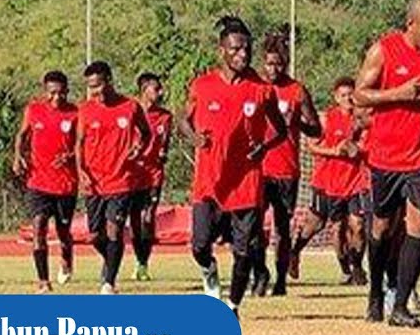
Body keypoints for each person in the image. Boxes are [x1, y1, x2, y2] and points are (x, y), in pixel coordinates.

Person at [353, 0, 420, 328]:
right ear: (411, 24)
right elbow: (359, 95)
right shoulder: (384, 50)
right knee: (381, 228)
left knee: (419, 226)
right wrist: (398, 93)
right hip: (386, 155)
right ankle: (375, 293)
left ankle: (400, 303)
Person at [184, 16, 275, 316]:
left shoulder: (261, 89)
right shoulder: (202, 86)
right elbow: (183, 120)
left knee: (244, 251)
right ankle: (209, 271)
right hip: (209, 181)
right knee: (199, 245)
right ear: (221, 50)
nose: (242, 54)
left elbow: (280, 130)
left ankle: (232, 306)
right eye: (235, 49)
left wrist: (264, 146)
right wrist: (194, 137)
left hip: (246, 182)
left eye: (247, 49)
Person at [254, 36, 321, 296]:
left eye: (279, 64)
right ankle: (260, 273)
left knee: (282, 227)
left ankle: (280, 280)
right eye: (269, 64)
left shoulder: (296, 91)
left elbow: (316, 129)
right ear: (262, 63)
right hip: (259, 169)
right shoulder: (256, 88)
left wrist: (297, 123)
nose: (274, 69)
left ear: (286, 64)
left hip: (286, 170)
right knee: (253, 226)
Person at [77, 61, 150, 294]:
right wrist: (81, 171)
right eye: (90, 87)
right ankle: (111, 258)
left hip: (121, 180)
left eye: (97, 85)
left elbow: (146, 133)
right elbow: (79, 143)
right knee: (95, 236)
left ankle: (108, 282)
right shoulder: (85, 109)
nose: (94, 92)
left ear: (109, 81)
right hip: (94, 183)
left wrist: (138, 146)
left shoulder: (130, 106)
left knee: (114, 230)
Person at [291, 77, 370, 285]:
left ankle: (357, 267)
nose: (348, 99)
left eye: (351, 95)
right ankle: (295, 252)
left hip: (355, 182)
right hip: (327, 182)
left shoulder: (362, 119)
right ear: (336, 97)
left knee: (358, 225)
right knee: (321, 226)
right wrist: (335, 151)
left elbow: (369, 145)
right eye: (343, 95)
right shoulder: (327, 119)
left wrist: (357, 149)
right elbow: (312, 146)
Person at [12, 71, 78, 293]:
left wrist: (70, 156)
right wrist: (18, 157)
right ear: (45, 91)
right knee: (39, 226)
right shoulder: (34, 110)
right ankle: (43, 281)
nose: (56, 97)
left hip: (66, 184)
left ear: (67, 91)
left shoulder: (75, 113)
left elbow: (83, 144)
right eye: (52, 93)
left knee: (63, 231)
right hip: (38, 181)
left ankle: (66, 258)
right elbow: (22, 135)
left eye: (61, 93)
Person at [131, 73, 172, 281]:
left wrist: (163, 153)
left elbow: (165, 143)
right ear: (144, 90)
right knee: (135, 221)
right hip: (133, 174)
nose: (160, 92)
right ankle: (138, 258)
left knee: (148, 218)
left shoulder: (165, 117)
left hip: (153, 174)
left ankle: (143, 263)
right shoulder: (131, 112)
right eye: (156, 89)